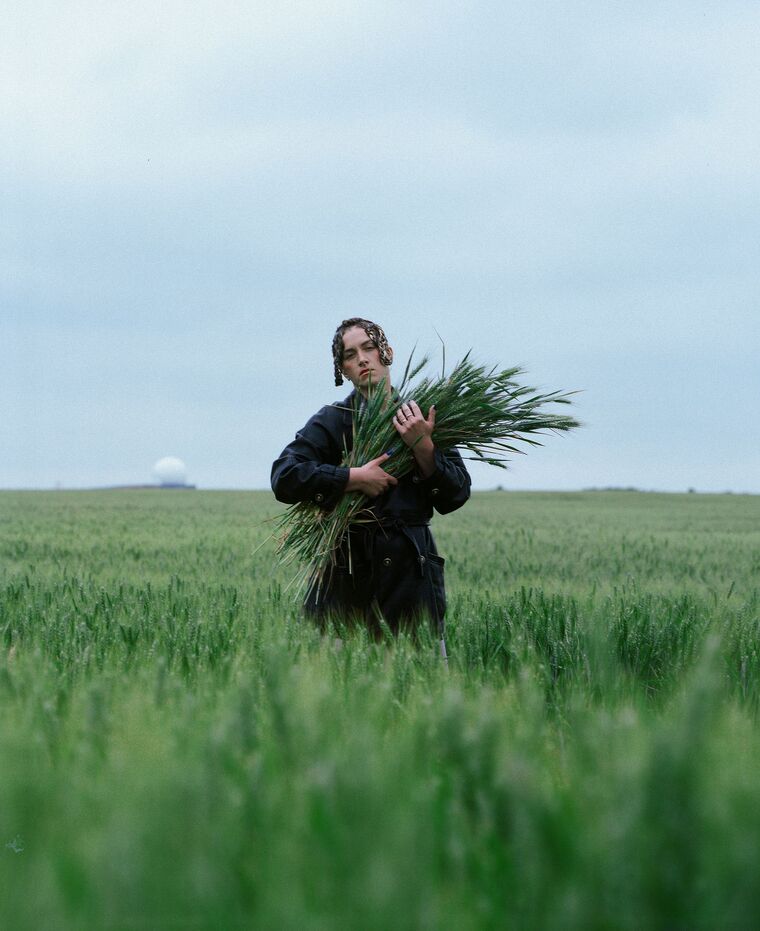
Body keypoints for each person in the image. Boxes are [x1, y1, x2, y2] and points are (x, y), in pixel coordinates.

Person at [271, 318, 471, 640]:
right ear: (343, 370)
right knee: (337, 685)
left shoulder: (422, 417)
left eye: (369, 348)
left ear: (387, 353)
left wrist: (424, 448)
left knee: (419, 682)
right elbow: (285, 477)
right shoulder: (332, 421)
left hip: (412, 578)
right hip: (346, 576)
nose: (362, 359)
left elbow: (456, 495)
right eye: (350, 355)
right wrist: (352, 477)